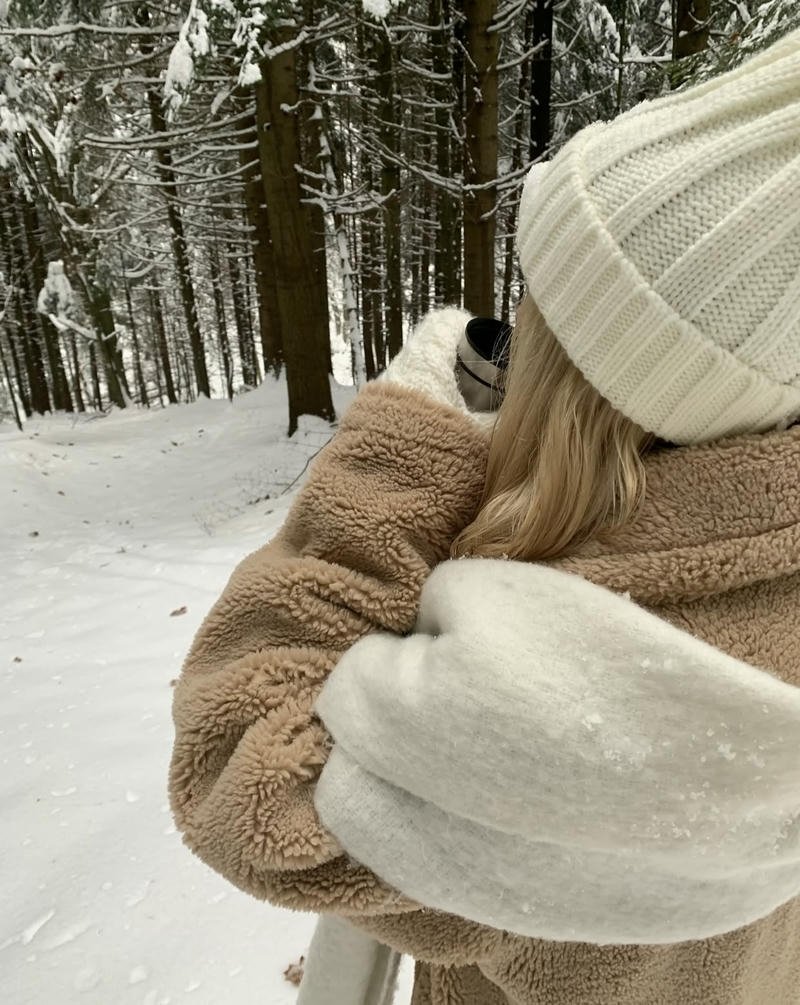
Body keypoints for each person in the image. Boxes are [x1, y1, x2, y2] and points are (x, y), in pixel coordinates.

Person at [169, 28, 800, 1005]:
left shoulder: (586, 686)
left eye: (537, 312)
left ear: (589, 395)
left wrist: (402, 443)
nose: (513, 324)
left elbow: (241, 774)